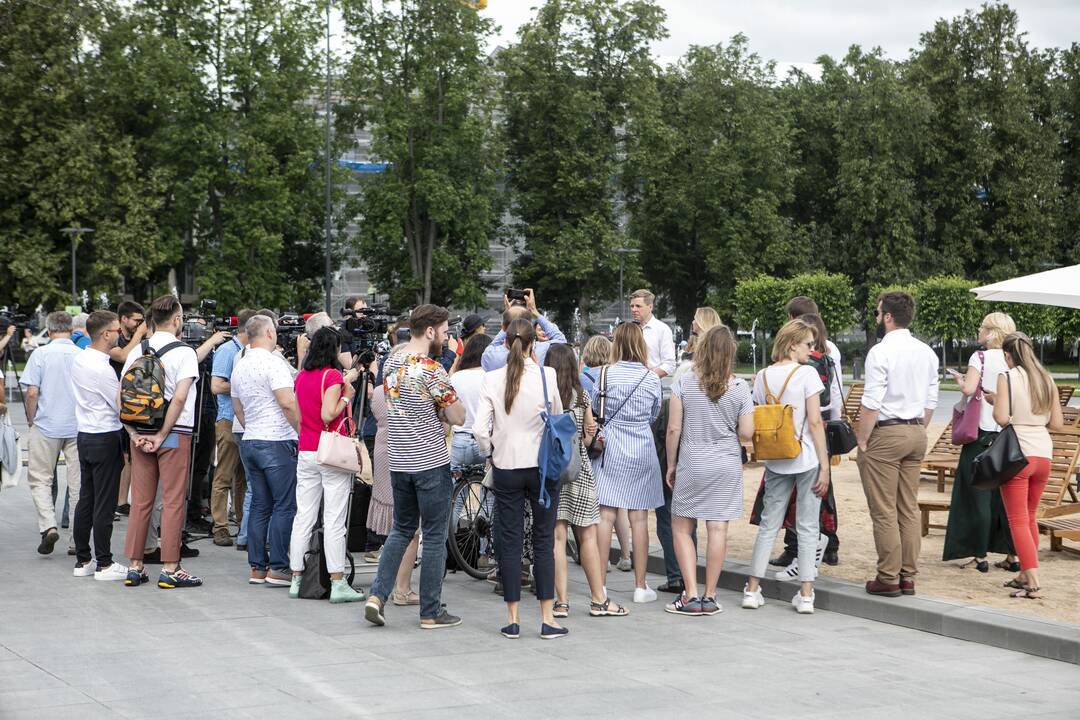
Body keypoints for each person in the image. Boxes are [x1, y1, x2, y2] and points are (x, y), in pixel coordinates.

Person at [365, 305, 466, 630]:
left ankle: (377, 595)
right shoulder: (432, 369)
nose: (447, 337)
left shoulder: (391, 363)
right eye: (446, 331)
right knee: (434, 535)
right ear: (432, 331)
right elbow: (457, 416)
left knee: (401, 530)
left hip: (399, 460)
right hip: (430, 461)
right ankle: (431, 611)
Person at [474, 318, 567, 639]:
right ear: (533, 343)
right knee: (543, 541)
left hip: (506, 464)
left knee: (509, 541)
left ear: (505, 344)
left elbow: (478, 429)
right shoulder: (547, 375)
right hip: (541, 466)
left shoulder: (492, 379)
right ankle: (547, 617)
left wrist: (491, 449)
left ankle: (512, 618)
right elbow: (556, 414)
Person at [743, 319, 830, 614]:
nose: (812, 349)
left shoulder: (763, 375)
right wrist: (825, 465)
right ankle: (806, 594)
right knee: (807, 525)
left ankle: (753, 589)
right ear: (793, 344)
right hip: (804, 455)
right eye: (808, 344)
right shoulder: (806, 373)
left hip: (775, 456)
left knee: (769, 525)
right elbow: (815, 421)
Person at [665, 326, 754, 615]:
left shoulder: (686, 383)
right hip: (725, 463)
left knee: (681, 526)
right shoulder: (739, 388)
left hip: (693, 460)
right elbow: (747, 433)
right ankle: (711, 594)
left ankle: (690, 593)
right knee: (718, 529)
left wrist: (671, 463)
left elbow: (674, 428)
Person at [856, 291, 939, 597]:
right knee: (908, 508)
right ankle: (907, 575)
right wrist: (917, 428)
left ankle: (888, 575)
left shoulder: (880, 352)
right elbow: (931, 401)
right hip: (917, 429)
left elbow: (872, 402)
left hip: (887, 431)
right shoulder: (927, 352)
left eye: (878, 314)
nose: (877, 319)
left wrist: (862, 439)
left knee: (883, 509)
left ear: (888, 316)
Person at [120, 296, 202, 589]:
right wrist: (162, 434)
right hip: (173, 432)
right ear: (177, 320)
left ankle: (135, 565)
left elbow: (123, 395)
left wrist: (134, 434)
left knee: (140, 502)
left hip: (139, 432)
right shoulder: (185, 353)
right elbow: (179, 398)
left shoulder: (137, 351)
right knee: (172, 500)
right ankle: (170, 568)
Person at [545, 343, 628, 619]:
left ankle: (561, 602)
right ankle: (598, 599)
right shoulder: (581, 396)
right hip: (578, 470)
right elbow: (588, 438)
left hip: (552, 471)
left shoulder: (544, 395)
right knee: (587, 535)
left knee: (557, 537)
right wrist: (590, 432)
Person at [287, 327, 366, 603]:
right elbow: (328, 414)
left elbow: (301, 415)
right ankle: (337, 581)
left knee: (304, 516)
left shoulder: (302, 376)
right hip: (330, 451)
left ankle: (297, 577)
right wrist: (347, 394)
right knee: (334, 519)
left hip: (306, 449)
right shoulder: (331, 376)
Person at [764, 311, 843, 576]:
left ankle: (801, 551)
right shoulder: (826, 360)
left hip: (791, 441)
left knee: (793, 507)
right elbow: (832, 399)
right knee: (815, 501)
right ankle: (820, 549)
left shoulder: (810, 365)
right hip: (810, 439)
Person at [592, 322, 664, 603]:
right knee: (639, 518)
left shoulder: (605, 374)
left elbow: (598, 410)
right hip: (641, 446)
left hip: (611, 446)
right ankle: (640, 584)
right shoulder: (651, 378)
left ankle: (601, 584)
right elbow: (654, 413)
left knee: (605, 515)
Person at [943, 312, 1018, 572]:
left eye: (982, 327)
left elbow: (969, 389)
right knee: (1005, 496)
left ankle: (978, 552)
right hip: (1006, 432)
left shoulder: (981, 356)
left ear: (991, 331)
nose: (978, 330)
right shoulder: (1013, 358)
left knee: (975, 493)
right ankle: (1012, 553)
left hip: (981, 431)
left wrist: (960, 380)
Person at [231, 314, 300, 587]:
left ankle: (257, 568)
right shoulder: (274, 363)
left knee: (260, 504)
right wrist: (301, 431)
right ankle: (279, 567)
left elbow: (238, 407)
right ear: (270, 333)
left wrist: (253, 427)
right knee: (285, 505)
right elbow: (287, 402)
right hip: (277, 440)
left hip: (251, 438)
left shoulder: (240, 365)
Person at [993, 333, 1063, 599]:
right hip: (1044, 452)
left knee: (1018, 520)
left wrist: (1001, 406)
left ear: (1008, 355)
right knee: (1030, 516)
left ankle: (1032, 581)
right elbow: (1056, 424)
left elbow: (1001, 418)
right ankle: (1024, 573)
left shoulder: (1007, 377)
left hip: (1018, 454)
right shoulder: (1047, 378)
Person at [70, 311, 127, 581]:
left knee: (86, 498)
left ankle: (83, 560)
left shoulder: (81, 358)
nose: (120, 334)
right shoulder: (102, 369)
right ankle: (105, 563)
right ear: (106, 334)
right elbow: (119, 407)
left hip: (85, 434)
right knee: (104, 503)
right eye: (117, 330)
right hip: (105, 436)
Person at [19, 311, 82, 555]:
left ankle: (48, 526)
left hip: (47, 424)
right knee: (77, 485)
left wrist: (31, 419)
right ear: (71, 328)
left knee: (40, 479)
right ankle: (78, 539)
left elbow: (32, 392)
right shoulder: (80, 355)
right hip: (76, 426)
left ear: (49, 327)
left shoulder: (40, 354)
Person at [209, 308, 256, 546]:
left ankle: (241, 522)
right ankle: (220, 526)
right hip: (228, 418)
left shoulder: (247, 351)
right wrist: (242, 384)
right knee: (225, 474)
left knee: (242, 478)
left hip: (245, 420)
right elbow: (216, 386)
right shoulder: (228, 351)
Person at [109, 300, 147, 515]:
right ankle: (115, 500)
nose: (139, 324)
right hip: (113, 400)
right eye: (136, 320)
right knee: (120, 455)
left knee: (128, 455)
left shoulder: (136, 337)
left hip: (131, 399)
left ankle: (122, 501)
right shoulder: (115, 336)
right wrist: (139, 335)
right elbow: (122, 356)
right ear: (123, 319)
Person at [482, 290, 566, 371]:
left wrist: (507, 316)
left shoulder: (491, 355)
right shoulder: (542, 350)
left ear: (504, 327)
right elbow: (562, 341)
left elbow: (492, 346)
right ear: (530, 327)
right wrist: (535, 312)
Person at [628, 289, 676, 378]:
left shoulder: (662, 330)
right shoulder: (628, 330)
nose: (634, 309)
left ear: (650, 307)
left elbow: (669, 364)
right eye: (632, 306)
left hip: (651, 385)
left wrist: (647, 378)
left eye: (638, 306)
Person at [672, 307, 722, 383]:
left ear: (702, 322)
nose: (693, 322)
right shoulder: (714, 344)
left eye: (695, 319)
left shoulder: (709, 346)